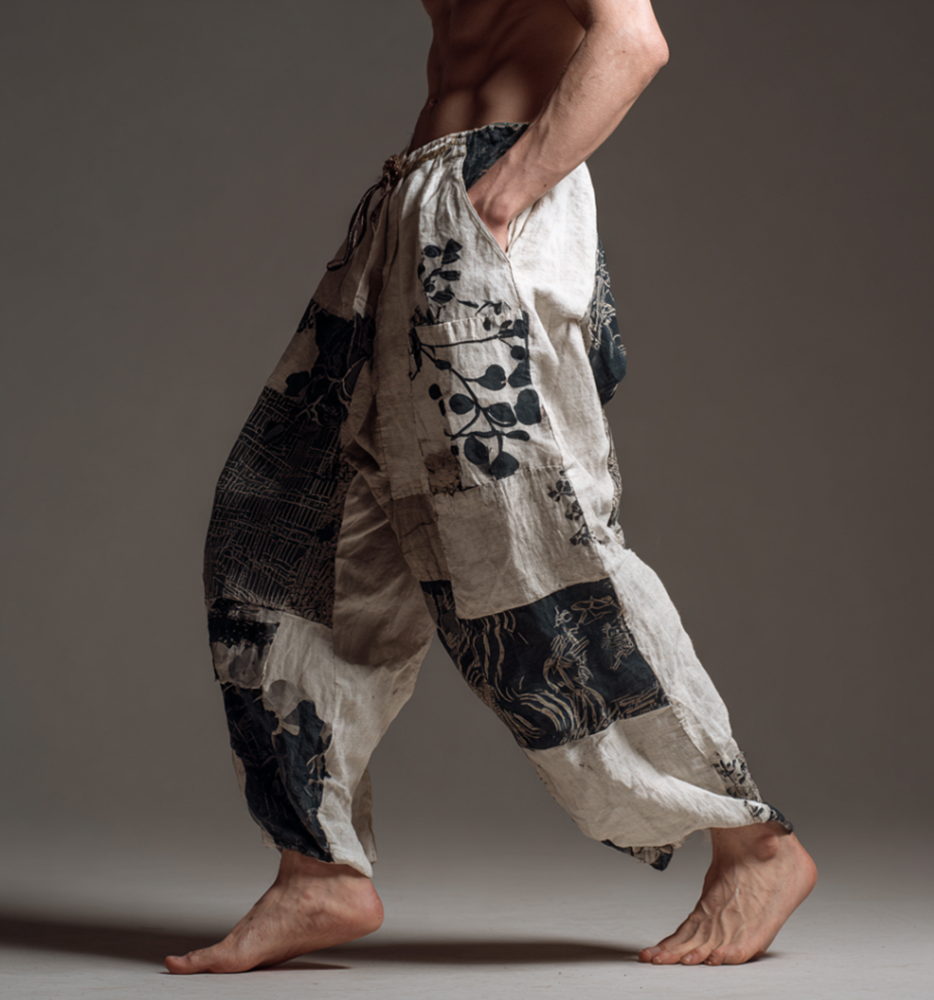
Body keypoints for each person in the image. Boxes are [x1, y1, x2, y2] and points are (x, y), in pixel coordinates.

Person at [165, 0, 816, 975]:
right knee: (285, 527)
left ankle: (753, 844)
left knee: (536, 548)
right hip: (413, 204)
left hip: (489, 202)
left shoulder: (504, 185)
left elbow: (631, 38)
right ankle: (317, 868)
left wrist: (508, 189)